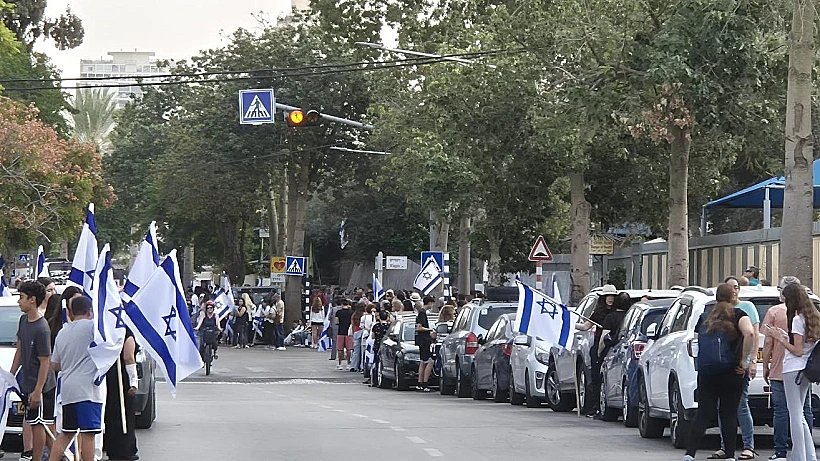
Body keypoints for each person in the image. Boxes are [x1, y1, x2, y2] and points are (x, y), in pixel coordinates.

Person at [683, 283, 755, 461]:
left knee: (703, 413)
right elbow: (750, 333)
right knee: (728, 413)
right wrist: (744, 361)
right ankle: (730, 454)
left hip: (707, 372)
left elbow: (697, 341)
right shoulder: (739, 314)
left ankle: (690, 453)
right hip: (732, 371)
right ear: (733, 297)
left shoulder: (706, 316)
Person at [766, 283, 820, 461]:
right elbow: (805, 347)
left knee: (795, 414)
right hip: (806, 369)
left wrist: (780, 339)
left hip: (792, 369)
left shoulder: (798, 319)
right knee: (800, 414)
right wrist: (784, 336)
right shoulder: (814, 317)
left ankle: (799, 456)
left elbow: (797, 350)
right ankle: (809, 455)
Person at [48, 296, 104, 461]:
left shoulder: (63, 332)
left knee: (66, 433)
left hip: (68, 390)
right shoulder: (93, 328)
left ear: (71, 312)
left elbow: (55, 364)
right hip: (87, 389)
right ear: (90, 311)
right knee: (88, 434)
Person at [711, 276, 760, 460]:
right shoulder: (718, 311)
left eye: (737, 287)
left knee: (741, 405)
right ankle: (726, 446)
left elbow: (753, 334)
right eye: (731, 287)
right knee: (722, 407)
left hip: (738, 365)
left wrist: (749, 360)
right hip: (722, 365)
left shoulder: (746, 308)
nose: (734, 290)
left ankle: (748, 446)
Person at [12, 280, 58, 461]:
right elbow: (20, 350)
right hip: (28, 382)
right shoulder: (24, 320)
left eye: (21, 297)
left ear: (32, 300)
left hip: (42, 385)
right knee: (37, 423)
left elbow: (45, 361)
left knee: (40, 425)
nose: (19, 301)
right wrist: (10, 375)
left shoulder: (41, 327)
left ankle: (38, 458)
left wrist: (38, 390)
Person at [576, 284, 618, 417]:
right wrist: (570, 323)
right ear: (603, 298)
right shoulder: (598, 313)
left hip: (613, 347)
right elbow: (585, 326)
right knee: (596, 378)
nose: (610, 299)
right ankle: (596, 406)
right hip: (599, 348)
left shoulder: (618, 313)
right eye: (607, 296)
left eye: (612, 296)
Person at [104, 327, 139, 461]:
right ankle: (124, 448)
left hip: (106, 375)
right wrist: (133, 381)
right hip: (121, 378)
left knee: (110, 413)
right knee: (124, 413)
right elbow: (128, 357)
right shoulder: (126, 332)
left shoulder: (107, 329)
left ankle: (111, 446)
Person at [598, 292, 630, 359]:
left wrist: (599, 352)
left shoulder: (610, 317)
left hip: (612, 351)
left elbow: (604, 336)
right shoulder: (631, 316)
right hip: (628, 352)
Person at [415, 295, 436, 392]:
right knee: (429, 361)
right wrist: (430, 330)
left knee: (423, 361)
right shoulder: (422, 313)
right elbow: (419, 327)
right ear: (430, 303)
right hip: (424, 341)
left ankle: (420, 383)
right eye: (432, 304)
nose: (432, 306)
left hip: (421, 340)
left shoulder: (421, 313)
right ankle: (425, 383)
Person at [367, 310, 391, 386]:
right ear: (387, 317)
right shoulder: (389, 327)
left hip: (377, 345)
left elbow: (372, 336)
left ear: (379, 317)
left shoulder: (376, 326)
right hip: (386, 346)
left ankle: (375, 380)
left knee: (377, 362)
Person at [334, 299, 353, 370]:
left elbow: (336, 322)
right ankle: (348, 364)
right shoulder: (351, 312)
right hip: (349, 332)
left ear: (342, 304)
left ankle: (340, 364)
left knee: (340, 349)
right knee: (349, 349)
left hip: (340, 331)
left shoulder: (338, 312)